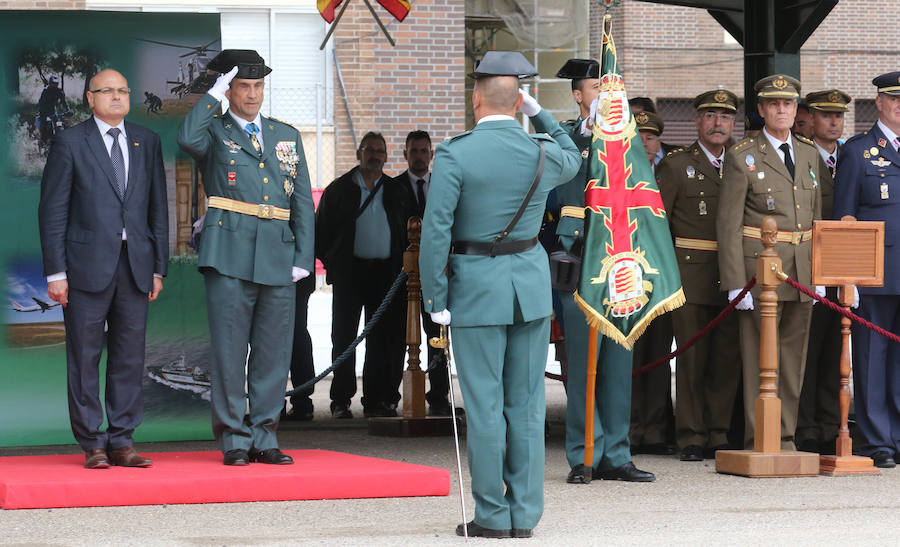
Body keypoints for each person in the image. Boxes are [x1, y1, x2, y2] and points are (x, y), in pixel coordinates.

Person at [419, 51, 581, 538]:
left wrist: (435, 299)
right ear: (518, 102)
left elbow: (436, 232)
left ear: (476, 99)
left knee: (485, 406)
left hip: (476, 291)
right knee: (526, 406)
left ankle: (492, 514)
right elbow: (574, 155)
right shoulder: (542, 152)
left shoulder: (456, 153)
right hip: (528, 289)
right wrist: (540, 113)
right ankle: (524, 515)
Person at [177, 49, 315, 466]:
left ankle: (265, 436)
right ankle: (234, 439)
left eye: (258, 86)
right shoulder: (214, 131)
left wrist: (303, 257)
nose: (252, 94)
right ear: (229, 90)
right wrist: (211, 96)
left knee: (273, 353)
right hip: (229, 253)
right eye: (242, 86)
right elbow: (186, 139)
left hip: (277, 254)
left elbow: (302, 201)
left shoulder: (285, 135)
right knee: (230, 352)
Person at [38, 68, 168, 469]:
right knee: (84, 357)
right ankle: (93, 442)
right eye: (107, 91)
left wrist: (158, 268)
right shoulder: (70, 142)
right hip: (83, 268)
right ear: (89, 98)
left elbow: (158, 209)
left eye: (122, 91)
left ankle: (122, 440)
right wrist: (56, 273)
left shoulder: (147, 140)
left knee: (130, 357)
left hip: (136, 266)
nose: (116, 97)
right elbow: (53, 211)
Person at [553, 58, 656, 484]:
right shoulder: (563, 138)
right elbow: (556, 196)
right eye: (597, 87)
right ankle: (584, 455)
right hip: (579, 261)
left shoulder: (627, 139)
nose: (606, 94)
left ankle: (617, 453)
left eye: (611, 88)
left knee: (618, 362)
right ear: (579, 95)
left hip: (622, 261)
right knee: (582, 365)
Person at [717, 74, 825, 450]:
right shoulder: (742, 155)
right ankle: (759, 436)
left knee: (793, 359)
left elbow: (816, 218)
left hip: (802, 270)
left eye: (788, 104)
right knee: (758, 358)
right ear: (762, 110)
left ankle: (785, 435)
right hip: (759, 272)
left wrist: (819, 270)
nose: (782, 110)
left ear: (796, 110)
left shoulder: (808, 153)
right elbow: (728, 224)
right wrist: (735, 282)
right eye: (774, 104)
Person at [656, 89, 742, 461]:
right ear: (697, 122)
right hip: (689, 274)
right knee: (691, 359)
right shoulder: (676, 165)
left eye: (725, 117)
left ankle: (718, 433)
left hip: (734, 275)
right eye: (710, 116)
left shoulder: (743, 160)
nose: (718, 123)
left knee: (726, 359)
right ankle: (691, 435)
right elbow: (659, 225)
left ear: (733, 123)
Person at [315, 132, 414, 419]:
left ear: (386, 157)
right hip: (350, 275)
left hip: (386, 276)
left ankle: (376, 399)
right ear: (359, 154)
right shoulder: (339, 189)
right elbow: (321, 233)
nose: (374, 156)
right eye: (369, 150)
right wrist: (335, 265)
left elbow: (410, 232)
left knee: (382, 340)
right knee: (343, 338)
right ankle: (341, 400)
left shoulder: (396, 191)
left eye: (380, 151)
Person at [832, 72, 900, 469]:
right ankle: (879, 442)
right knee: (873, 359)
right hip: (875, 274)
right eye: (894, 99)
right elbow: (844, 216)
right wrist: (849, 278)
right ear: (879, 102)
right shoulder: (858, 152)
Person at [796, 89, 851, 454]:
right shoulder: (801, 155)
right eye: (826, 115)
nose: (833, 121)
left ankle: (832, 424)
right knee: (808, 349)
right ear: (811, 119)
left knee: (836, 349)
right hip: (808, 266)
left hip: (845, 265)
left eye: (838, 115)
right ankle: (805, 427)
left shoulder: (853, 155)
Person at [392, 130, 456, 416]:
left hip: (435, 274)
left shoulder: (444, 186)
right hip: (400, 276)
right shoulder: (392, 188)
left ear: (431, 155)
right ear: (405, 154)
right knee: (396, 338)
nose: (419, 156)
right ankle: (390, 396)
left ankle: (439, 397)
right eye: (414, 151)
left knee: (436, 336)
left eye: (423, 151)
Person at [630, 109, 675, 455]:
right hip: (627, 275)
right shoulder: (619, 174)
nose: (645, 143)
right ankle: (631, 429)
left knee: (659, 355)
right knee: (630, 356)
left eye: (651, 137)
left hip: (663, 275)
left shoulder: (670, 173)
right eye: (639, 137)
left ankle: (657, 429)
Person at [284, 273, 316, 421]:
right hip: (298, 277)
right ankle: (302, 402)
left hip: (295, 277)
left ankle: (301, 401)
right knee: (298, 333)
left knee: (297, 334)